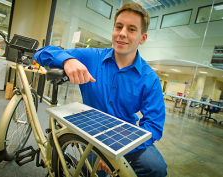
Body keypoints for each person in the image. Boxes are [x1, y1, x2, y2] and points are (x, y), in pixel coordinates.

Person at [35, 2, 167, 177]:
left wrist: (118, 150)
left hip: (126, 138)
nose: (122, 33)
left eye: (132, 29)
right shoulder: (91, 58)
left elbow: (154, 126)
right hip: (90, 134)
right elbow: (42, 53)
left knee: (156, 169)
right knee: (97, 172)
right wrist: (68, 60)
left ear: (142, 38)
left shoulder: (149, 79)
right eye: (118, 27)